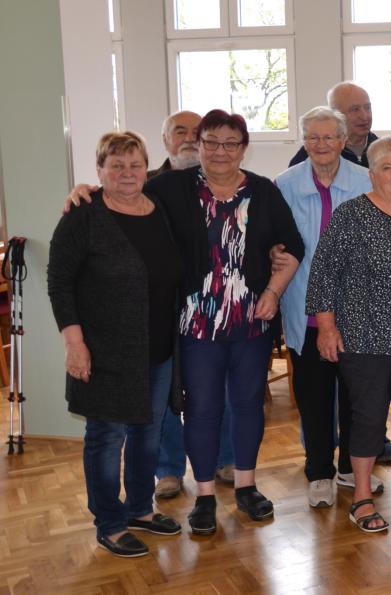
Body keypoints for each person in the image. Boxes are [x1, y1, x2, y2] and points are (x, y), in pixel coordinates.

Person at [64, 110, 305, 535]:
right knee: (202, 408)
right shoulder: (173, 187)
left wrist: (272, 292)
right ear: (200, 144)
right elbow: (123, 190)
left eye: (230, 143)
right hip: (196, 326)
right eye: (211, 141)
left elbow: (292, 247)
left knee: (248, 405)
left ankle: (246, 485)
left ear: (243, 148)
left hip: (252, 322)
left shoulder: (264, 191)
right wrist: (85, 189)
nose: (220, 151)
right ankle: (205, 495)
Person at [49, 131, 185, 557]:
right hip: (104, 351)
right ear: (100, 171)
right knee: (106, 438)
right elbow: (59, 282)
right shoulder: (84, 214)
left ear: (146, 168)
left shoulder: (158, 207)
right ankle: (109, 522)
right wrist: (74, 343)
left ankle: (140, 509)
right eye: (116, 165)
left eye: (135, 164)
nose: (127, 173)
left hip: (158, 348)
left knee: (148, 432)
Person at [306, 136, 391, 533]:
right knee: (368, 417)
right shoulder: (352, 215)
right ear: (372, 174)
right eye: (388, 167)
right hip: (364, 338)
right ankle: (362, 496)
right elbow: (323, 274)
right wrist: (326, 328)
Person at [274, 106, 378, 508]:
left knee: (357, 397)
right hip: (305, 309)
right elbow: (275, 239)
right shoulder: (285, 184)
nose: (321, 144)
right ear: (304, 142)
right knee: (314, 397)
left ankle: (351, 468)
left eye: (329, 137)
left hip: (357, 311)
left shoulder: (365, 181)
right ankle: (319, 471)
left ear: (342, 140)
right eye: (313, 137)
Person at [149, 110, 236, 498]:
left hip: (216, 308)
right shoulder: (146, 185)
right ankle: (168, 470)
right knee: (164, 390)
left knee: (218, 386)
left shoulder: (225, 183)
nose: (187, 137)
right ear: (165, 139)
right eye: (178, 131)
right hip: (163, 309)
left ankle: (225, 458)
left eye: (195, 131)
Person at [288, 82, 378, 168]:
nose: (364, 116)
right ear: (335, 114)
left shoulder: (381, 149)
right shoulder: (314, 153)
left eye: (367, 107)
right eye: (355, 109)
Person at [148, 111, 201, 178]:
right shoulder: (145, 181)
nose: (190, 139)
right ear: (165, 140)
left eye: (196, 132)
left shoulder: (214, 181)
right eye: (181, 132)